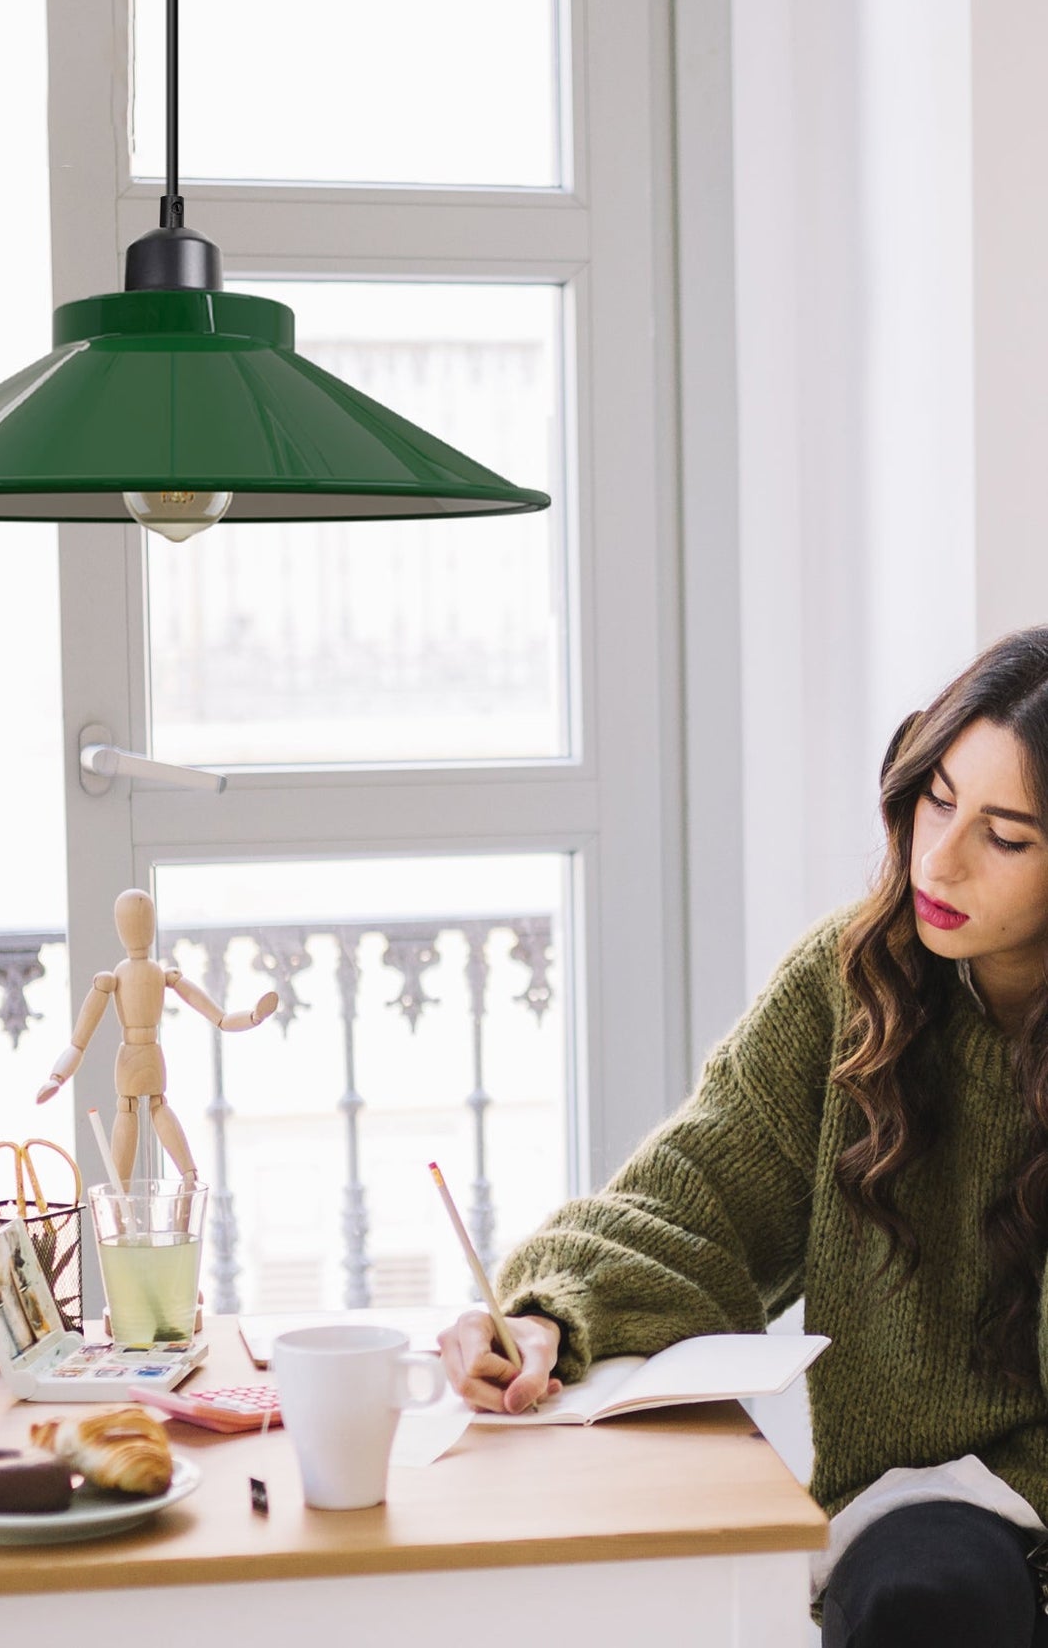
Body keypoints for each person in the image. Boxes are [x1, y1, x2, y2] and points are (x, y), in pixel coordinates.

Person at [439, 629, 1048, 1646]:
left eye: (1005, 833)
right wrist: (547, 1318)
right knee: (920, 1588)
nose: (937, 856)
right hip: (924, 1537)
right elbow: (695, 1199)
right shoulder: (859, 981)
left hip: (995, 1514)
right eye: (937, 796)